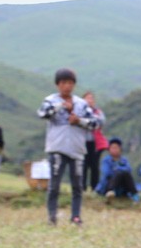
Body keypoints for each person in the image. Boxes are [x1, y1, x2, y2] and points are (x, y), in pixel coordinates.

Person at [37, 68, 103, 226]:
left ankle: (76, 216)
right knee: (54, 185)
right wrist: (61, 107)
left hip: (77, 149)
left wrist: (79, 121)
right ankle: (52, 217)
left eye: (70, 83)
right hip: (57, 147)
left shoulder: (81, 104)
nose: (67, 86)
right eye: (64, 83)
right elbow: (43, 114)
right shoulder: (50, 100)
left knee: (77, 186)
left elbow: (95, 123)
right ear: (57, 84)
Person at [82, 91, 108, 191]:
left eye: (91, 98)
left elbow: (101, 121)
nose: (90, 100)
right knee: (83, 165)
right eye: (87, 98)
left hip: (95, 143)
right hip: (83, 142)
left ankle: (95, 187)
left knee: (94, 166)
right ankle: (82, 187)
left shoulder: (98, 112)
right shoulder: (80, 111)